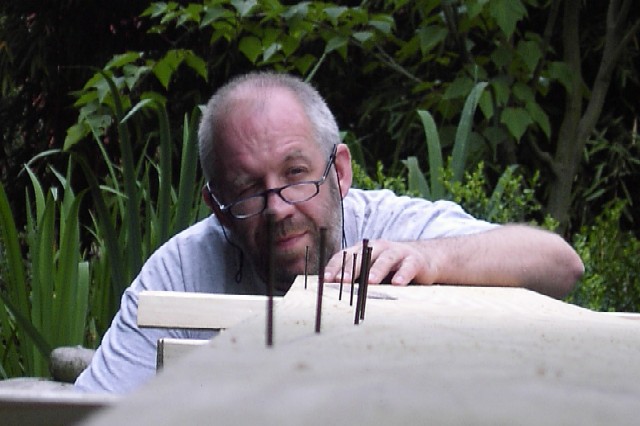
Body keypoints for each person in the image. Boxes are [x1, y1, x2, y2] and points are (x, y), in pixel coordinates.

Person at [74, 72, 584, 394]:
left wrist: (429, 260)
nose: (277, 208)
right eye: (248, 188)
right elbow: (98, 407)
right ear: (219, 207)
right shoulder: (180, 270)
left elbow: (560, 265)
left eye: (296, 174)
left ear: (340, 171)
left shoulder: (391, 227)